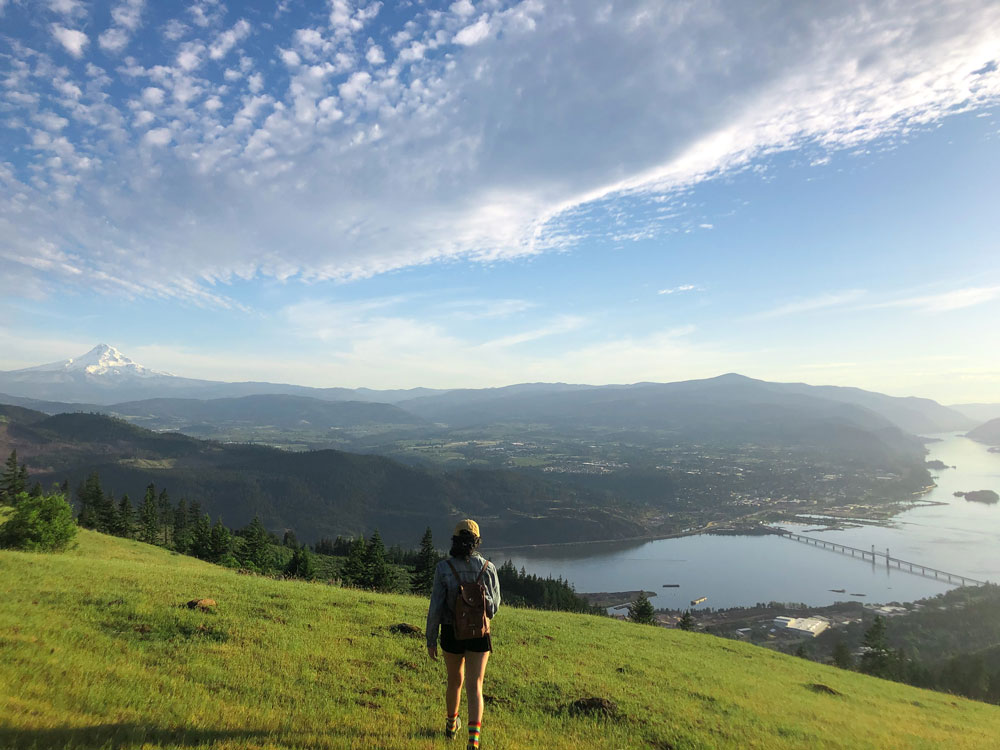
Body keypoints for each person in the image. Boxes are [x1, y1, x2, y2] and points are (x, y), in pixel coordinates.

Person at [426, 519, 501, 748]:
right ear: (476, 542)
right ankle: (473, 742)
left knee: (454, 682)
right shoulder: (488, 568)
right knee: (475, 686)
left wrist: (431, 639)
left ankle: (451, 726)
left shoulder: (443, 569)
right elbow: (494, 607)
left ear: (455, 540)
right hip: (479, 634)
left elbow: (436, 607)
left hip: (451, 633)